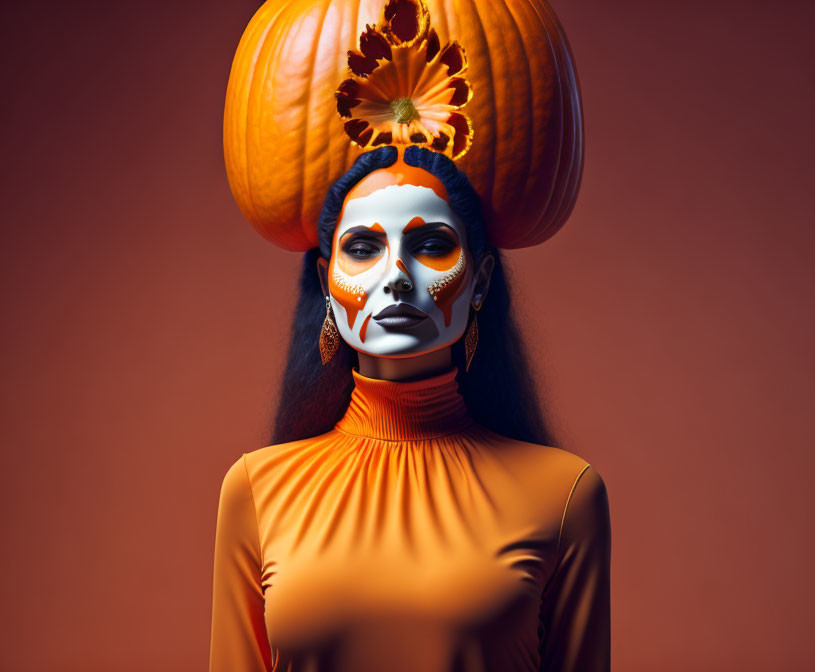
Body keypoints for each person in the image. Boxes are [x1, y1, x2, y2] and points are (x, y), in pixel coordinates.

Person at [210, 1, 610, 670]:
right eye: (363, 247)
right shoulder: (256, 490)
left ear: (480, 279)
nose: (397, 278)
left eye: (430, 245)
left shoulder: (564, 495)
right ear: (325, 279)